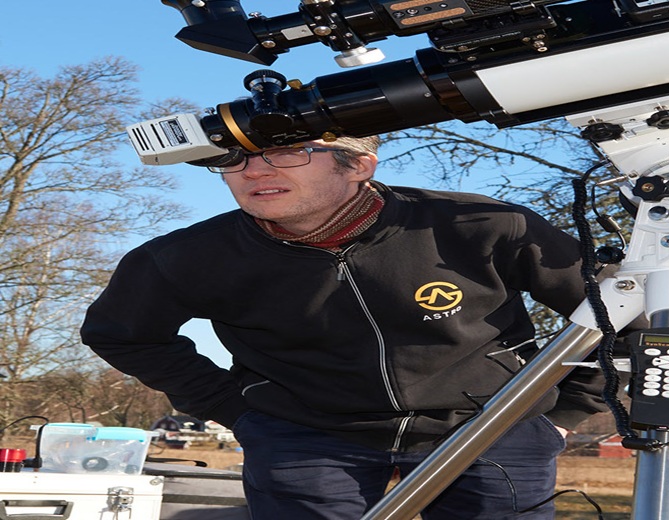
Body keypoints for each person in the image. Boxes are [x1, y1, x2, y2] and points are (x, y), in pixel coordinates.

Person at [81, 135, 607, 519]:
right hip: (307, 439)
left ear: (357, 164)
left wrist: (568, 411)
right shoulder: (186, 256)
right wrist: (237, 411)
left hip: (492, 426)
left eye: (285, 152)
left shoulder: (481, 225)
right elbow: (121, 333)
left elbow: (618, 311)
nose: (253, 171)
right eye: (233, 158)